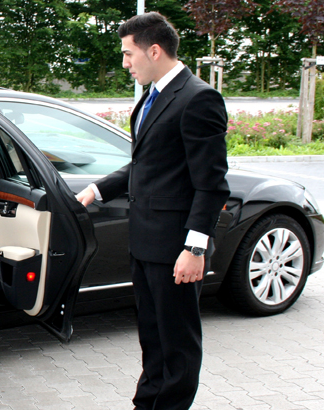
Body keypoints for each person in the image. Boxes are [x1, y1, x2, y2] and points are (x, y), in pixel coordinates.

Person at [75, 12, 230, 410]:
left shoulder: (198, 98)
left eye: (129, 54)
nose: (125, 62)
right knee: (153, 336)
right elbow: (147, 164)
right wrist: (96, 189)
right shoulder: (152, 95)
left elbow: (211, 185)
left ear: (154, 51)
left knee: (177, 342)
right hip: (145, 242)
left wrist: (194, 249)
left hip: (176, 247)